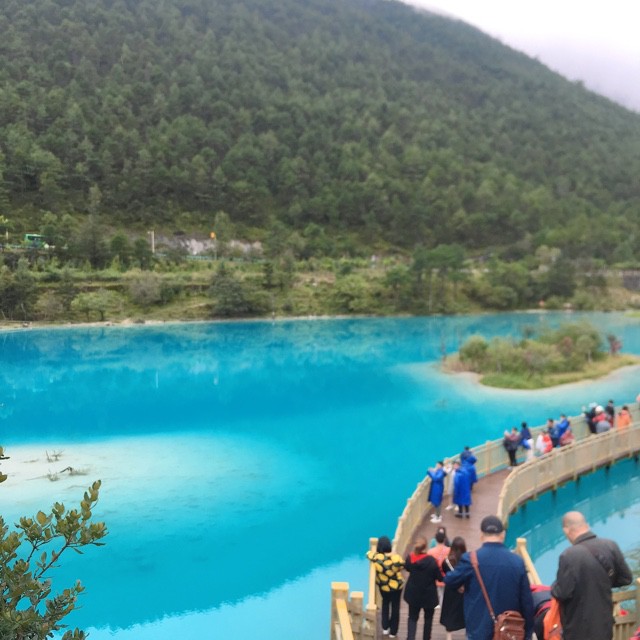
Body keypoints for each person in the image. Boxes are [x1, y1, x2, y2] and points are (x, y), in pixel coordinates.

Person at [444, 515, 535, 640]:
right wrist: (528, 633)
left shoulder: (471, 560)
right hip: (508, 631)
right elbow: (527, 602)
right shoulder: (517, 562)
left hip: (478, 631)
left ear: (481, 535)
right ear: (503, 535)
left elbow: (450, 580)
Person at [551, 511, 633, 640]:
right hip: (604, 622)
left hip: (577, 628)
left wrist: (554, 586)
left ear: (566, 530)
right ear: (586, 525)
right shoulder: (610, 545)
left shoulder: (568, 555)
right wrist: (602, 582)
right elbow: (626, 579)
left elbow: (562, 593)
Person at [366, 536, 404, 637]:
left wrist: (374, 552)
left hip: (384, 588)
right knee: (395, 608)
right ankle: (393, 632)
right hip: (397, 587)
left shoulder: (377, 558)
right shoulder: (396, 558)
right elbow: (402, 565)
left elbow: (368, 554)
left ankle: (385, 628)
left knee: (385, 604)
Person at [404, 537, 442, 640]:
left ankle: (410, 638)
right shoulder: (432, 561)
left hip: (413, 594)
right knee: (428, 619)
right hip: (429, 595)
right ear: (425, 547)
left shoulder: (410, 558)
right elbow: (439, 577)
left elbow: (407, 567)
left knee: (412, 618)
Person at [440, 536, 467, 640]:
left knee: (449, 611)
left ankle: (449, 636)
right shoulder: (467, 560)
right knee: (464, 611)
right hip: (463, 590)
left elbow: (444, 572)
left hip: (451, 590)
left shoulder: (447, 561)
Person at [427, 529, 451, 605]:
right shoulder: (449, 550)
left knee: (436, 593)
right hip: (446, 576)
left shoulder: (430, 552)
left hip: (434, 577)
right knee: (444, 595)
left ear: (436, 539)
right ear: (444, 539)